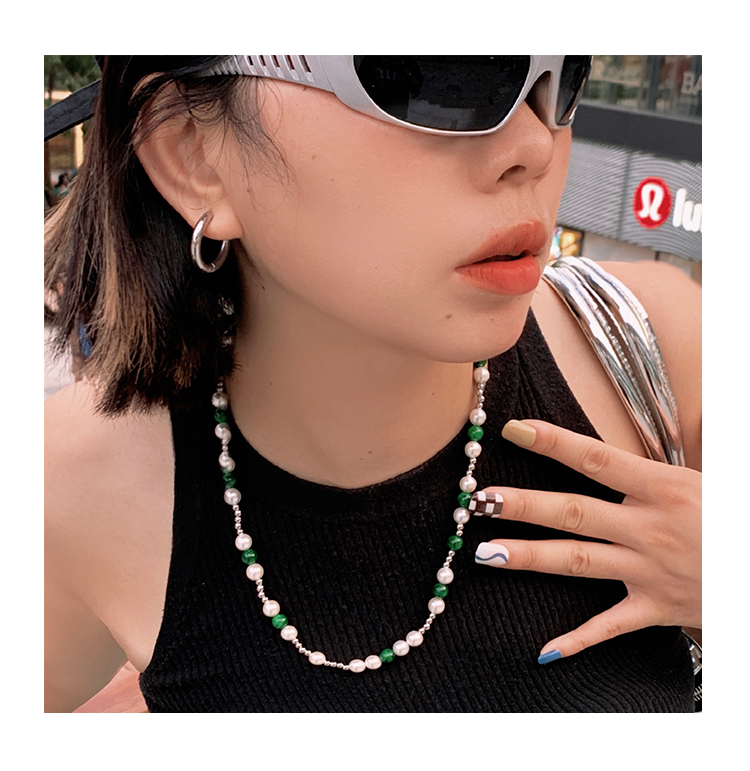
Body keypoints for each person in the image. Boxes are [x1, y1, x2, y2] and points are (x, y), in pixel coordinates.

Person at [44, 56, 701, 713]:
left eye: (565, 72)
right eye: (436, 77)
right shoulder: (69, 484)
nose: (536, 144)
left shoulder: (656, 344)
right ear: (193, 155)